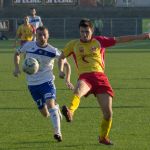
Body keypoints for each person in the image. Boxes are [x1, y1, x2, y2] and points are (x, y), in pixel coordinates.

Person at [58, 18, 150, 145]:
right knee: (78, 89)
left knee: (108, 114)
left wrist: (140, 36)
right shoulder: (73, 44)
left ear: (92, 31)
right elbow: (61, 57)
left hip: (101, 78)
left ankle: (103, 137)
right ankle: (70, 112)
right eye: (82, 32)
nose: (84, 35)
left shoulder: (99, 41)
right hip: (86, 77)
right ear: (79, 31)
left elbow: (120, 39)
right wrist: (61, 70)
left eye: (87, 32)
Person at [13, 26, 73, 142]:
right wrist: (16, 68)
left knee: (50, 104)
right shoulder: (29, 46)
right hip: (32, 85)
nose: (42, 37)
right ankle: (57, 110)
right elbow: (16, 54)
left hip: (47, 82)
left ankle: (58, 132)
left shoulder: (52, 50)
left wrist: (67, 79)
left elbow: (67, 64)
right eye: (40, 35)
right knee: (45, 114)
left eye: (44, 35)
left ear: (48, 35)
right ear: (36, 36)